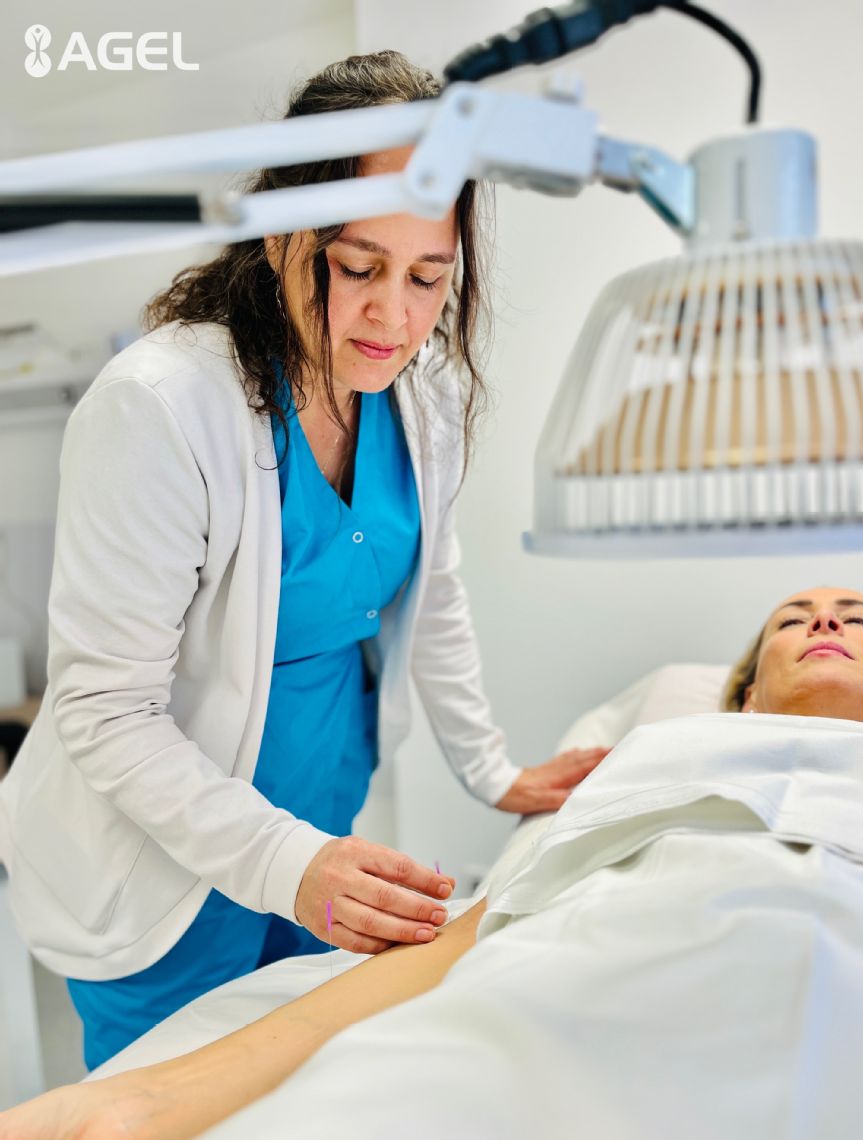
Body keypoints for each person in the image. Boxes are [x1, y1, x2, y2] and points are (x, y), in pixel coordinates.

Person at [0, 50, 605, 1073]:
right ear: (282, 235)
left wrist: (493, 771)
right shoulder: (160, 406)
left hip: (324, 836)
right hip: (163, 872)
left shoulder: (422, 393)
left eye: (428, 278)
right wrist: (286, 864)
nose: (395, 318)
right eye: (359, 269)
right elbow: (108, 712)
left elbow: (431, 589)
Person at [3, 583, 863, 1140]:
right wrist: (154, 1099)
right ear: (744, 699)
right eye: (793, 619)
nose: (824, 619)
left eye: (856, 618)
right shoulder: (666, 755)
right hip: (597, 982)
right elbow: (478, 936)